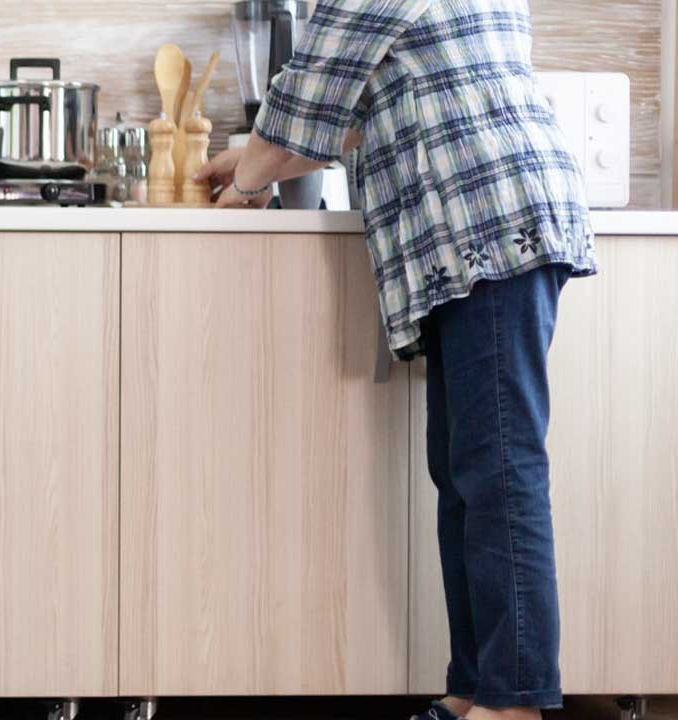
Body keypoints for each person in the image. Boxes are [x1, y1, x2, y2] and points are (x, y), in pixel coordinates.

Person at [194, 2, 594, 719]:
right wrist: (251, 158)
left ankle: (514, 703)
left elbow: (303, 99)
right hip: (480, 221)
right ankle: (473, 689)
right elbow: (370, 106)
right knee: (465, 472)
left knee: (498, 470)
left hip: (485, 220)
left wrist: (249, 184)